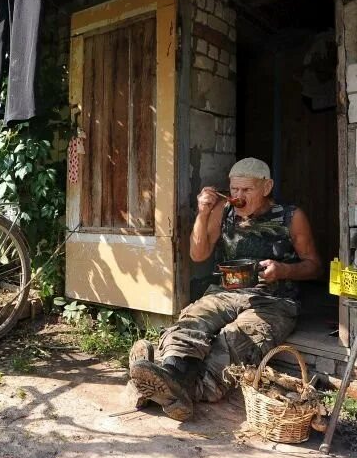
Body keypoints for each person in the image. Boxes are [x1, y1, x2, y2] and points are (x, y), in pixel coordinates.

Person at [127, 157, 322, 421]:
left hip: (274, 301)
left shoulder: (291, 217)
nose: (238, 196)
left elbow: (315, 266)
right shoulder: (224, 210)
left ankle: (165, 382)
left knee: (234, 339)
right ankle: (171, 371)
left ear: (267, 187)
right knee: (192, 321)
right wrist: (204, 212)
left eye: (247, 190)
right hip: (224, 292)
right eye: (234, 190)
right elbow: (198, 254)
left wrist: (284, 270)